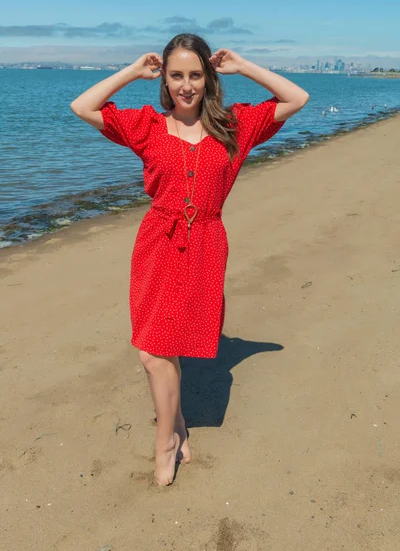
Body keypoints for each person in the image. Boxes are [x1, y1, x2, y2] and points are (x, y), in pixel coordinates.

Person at [70, 33, 309, 486]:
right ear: (164, 78)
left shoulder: (235, 126)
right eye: (176, 75)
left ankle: (174, 433)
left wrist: (244, 65)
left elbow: (297, 97)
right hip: (157, 244)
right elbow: (83, 106)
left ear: (209, 77)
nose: (186, 85)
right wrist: (130, 71)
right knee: (152, 350)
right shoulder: (146, 126)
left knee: (170, 344)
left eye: (195, 75)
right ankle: (169, 437)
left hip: (205, 245)